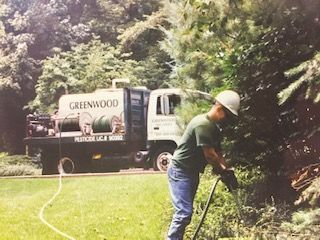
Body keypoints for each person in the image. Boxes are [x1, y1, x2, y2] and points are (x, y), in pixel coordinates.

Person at [167, 90, 241, 240]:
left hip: (191, 172)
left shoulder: (214, 128)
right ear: (220, 109)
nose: (227, 120)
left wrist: (228, 170)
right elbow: (210, 155)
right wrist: (221, 170)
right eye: (228, 115)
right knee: (183, 213)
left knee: (185, 213)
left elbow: (219, 154)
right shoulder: (203, 125)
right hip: (180, 171)